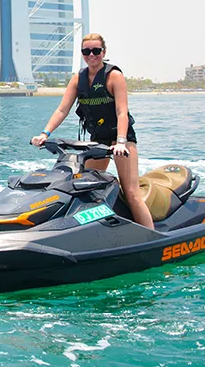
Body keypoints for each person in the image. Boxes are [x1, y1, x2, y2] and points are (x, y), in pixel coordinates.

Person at [30, 33, 154, 230]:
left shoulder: (114, 76)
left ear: (103, 52)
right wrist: (45, 134)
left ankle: (152, 237)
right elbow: (62, 110)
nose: (91, 55)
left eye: (96, 51)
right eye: (86, 51)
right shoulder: (78, 78)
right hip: (97, 141)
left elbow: (122, 112)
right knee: (85, 188)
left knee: (131, 193)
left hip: (121, 140)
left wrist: (121, 142)